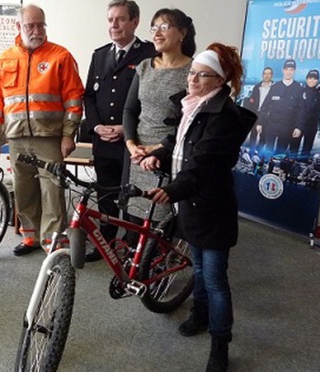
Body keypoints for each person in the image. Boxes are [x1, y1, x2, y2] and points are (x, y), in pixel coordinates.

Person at [144, 43, 257, 371]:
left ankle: (220, 342)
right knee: (197, 267)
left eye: (202, 74)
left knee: (215, 278)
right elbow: (177, 145)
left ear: (219, 81)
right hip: (190, 205)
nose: (192, 78)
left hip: (212, 208)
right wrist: (157, 156)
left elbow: (203, 162)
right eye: (192, 72)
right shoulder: (192, 106)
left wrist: (172, 190)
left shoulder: (224, 117)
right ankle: (200, 314)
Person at [0, 5, 84, 256]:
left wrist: (68, 134)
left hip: (49, 138)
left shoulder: (61, 56)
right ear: (18, 27)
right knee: (23, 188)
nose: (37, 30)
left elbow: (74, 100)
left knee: (52, 189)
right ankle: (30, 236)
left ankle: (52, 241)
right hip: (17, 138)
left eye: (41, 24)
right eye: (31, 25)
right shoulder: (2, 61)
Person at [82, 0, 156, 262]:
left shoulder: (149, 54)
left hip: (134, 141)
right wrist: (96, 126)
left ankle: (134, 246)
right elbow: (89, 96)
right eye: (110, 19)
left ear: (135, 22)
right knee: (106, 195)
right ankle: (107, 243)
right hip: (104, 139)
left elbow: (151, 101)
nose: (114, 25)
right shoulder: (99, 55)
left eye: (120, 19)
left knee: (133, 196)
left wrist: (126, 130)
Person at [122, 8, 195, 240]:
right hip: (137, 155)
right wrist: (132, 144)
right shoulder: (144, 66)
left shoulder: (193, 71)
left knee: (161, 223)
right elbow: (130, 110)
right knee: (134, 220)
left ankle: (157, 273)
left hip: (168, 155)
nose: (157, 33)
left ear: (182, 33)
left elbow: (191, 121)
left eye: (164, 27)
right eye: (154, 28)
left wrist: (159, 148)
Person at [258, 59, 304, 156]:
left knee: (280, 153)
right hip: (272, 126)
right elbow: (265, 106)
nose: (288, 72)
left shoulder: (298, 88)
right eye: (286, 69)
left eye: (291, 69)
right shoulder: (275, 87)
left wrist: (298, 127)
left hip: (287, 128)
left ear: (294, 71)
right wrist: (260, 123)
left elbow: (301, 110)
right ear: (283, 70)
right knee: (267, 151)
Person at [298, 69, 320, 158]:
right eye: (310, 78)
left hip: (311, 126)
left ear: (317, 80)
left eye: (315, 79)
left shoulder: (319, 93)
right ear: (306, 79)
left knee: (306, 149)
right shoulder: (300, 91)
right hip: (298, 125)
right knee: (293, 147)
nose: (312, 80)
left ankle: (302, 164)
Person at [243, 67, 273, 151]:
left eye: (269, 74)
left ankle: (259, 152)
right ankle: (251, 151)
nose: (267, 76)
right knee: (253, 133)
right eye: (265, 74)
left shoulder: (275, 88)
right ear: (262, 75)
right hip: (256, 113)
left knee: (264, 135)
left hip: (267, 116)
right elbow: (252, 102)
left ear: (271, 75)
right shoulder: (257, 87)